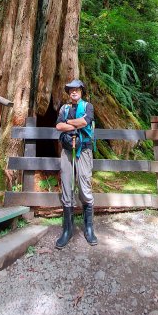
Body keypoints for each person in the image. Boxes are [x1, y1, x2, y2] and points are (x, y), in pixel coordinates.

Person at [55, 79, 98, 249]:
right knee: (66, 184)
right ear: (68, 93)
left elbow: (84, 122)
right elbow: (58, 126)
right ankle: (67, 229)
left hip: (84, 150)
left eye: (77, 90)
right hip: (67, 150)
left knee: (84, 183)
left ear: (81, 92)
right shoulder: (64, 108)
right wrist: (69, 124)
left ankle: (89, 228)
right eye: (71, 90)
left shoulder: (88, 106)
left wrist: (69, 123)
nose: (74, 92)